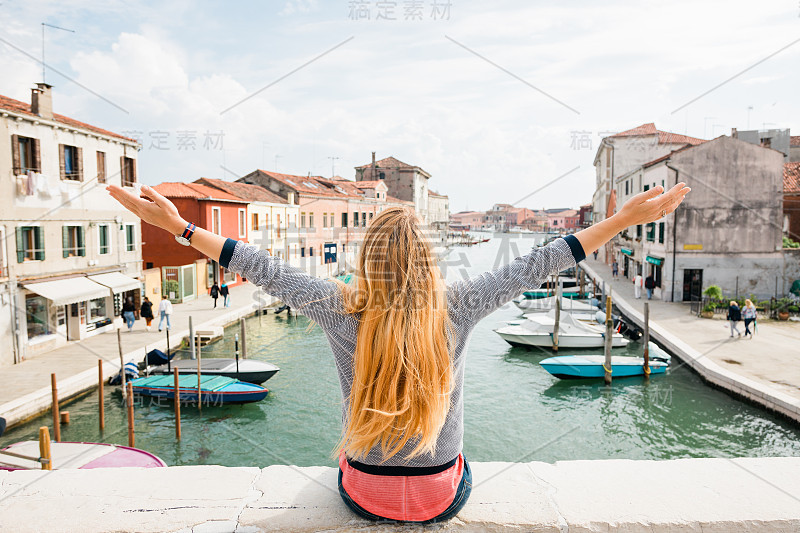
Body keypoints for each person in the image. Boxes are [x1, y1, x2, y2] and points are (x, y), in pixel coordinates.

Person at [107, 180, 689, 524]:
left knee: (353, 459)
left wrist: (182, 228)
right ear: (427, 260)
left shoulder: (337, 307)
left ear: (369, 261)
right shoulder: (459, 305)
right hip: (441, 494)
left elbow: (257, 265)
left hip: (361, 490)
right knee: (465, 462)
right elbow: (542, 262)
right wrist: (622, 219)